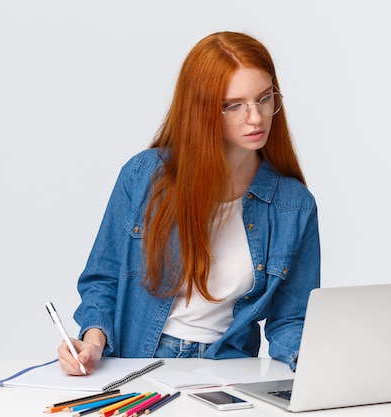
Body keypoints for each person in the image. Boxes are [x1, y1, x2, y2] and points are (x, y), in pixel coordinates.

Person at [58, 31, 320, 375]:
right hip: (140, 361)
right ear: (201, 109)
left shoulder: (293, 205)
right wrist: (92, 343)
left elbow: (291, 319)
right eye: (234, 105)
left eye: (264, 98)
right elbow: (103, 278)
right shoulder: (144, 176)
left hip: (228, 367)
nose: (255, 118)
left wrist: (316, 363)